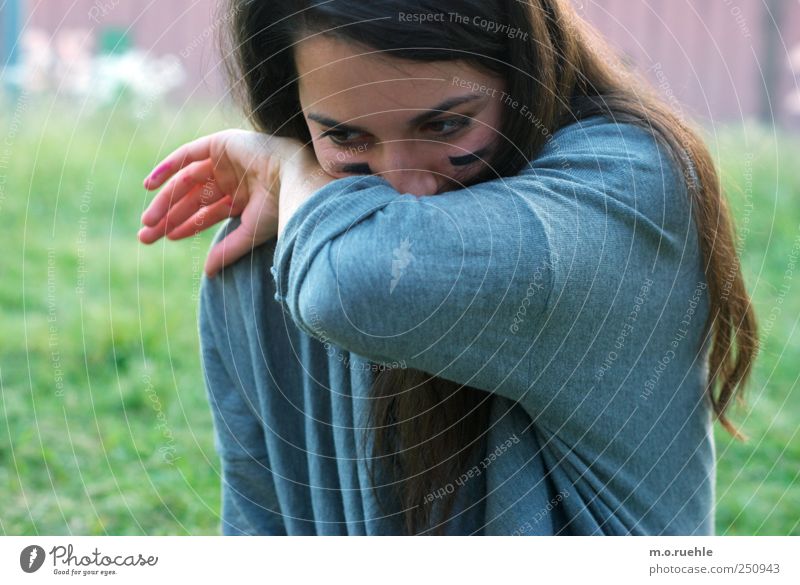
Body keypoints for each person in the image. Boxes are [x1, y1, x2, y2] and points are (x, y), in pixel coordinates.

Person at [137, 0, 758, 535]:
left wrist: (291, 169)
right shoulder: (277, 248)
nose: (405, 185)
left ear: (520, 71)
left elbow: (356, 287)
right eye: (347, 137)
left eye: (445, 124)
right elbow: (258, 524)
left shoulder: (630, 185)